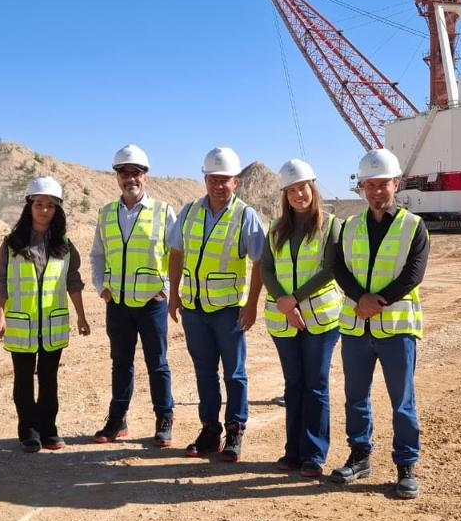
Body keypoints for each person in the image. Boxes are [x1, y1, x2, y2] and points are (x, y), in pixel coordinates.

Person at [329, 148, 429, 499]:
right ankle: (359, 457)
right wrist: (360, 299)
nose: (375, 191)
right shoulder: (350, 226)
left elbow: (413, 275)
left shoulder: (413, 226)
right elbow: (339, 268)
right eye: (369, 185)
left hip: (397, 330)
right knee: (355, 397)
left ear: (395, 184)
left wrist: (376, 301)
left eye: (382, 184)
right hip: (357, 329)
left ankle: (406, 466)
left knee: (402, 401)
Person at [168, 146, 267, 462]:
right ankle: (210, 431)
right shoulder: (190, 212)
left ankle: (235, 430)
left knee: (234, 373)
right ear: (205, 178)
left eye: (225, 179)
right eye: (213, 178)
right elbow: (176, 252)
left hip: (228, 311)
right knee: (204, 372)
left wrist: (251, 305)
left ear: (236, 182)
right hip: (195, 310)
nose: (218, 185)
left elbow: (260, 262)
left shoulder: (245, 216)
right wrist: (174, 294)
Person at [0, 176, 91, 453]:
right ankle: (28, 431)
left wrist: (82, 317)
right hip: (21, 324)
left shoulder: (64, 245)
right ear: (29, 206)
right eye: (39, 204)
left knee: (49, 379)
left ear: (57, 209)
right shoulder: (12, 243)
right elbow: (1, 280)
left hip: (52, 324)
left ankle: (49, 429)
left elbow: (73, 282)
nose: (44, 210)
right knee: (23, 379)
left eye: (50, 205)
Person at [89, 144, 177, 447]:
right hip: (118, 304)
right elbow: (97, 255)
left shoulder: (164, 212)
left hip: (151, 304)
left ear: (145, 176)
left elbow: (176, 254)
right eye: (124, 173)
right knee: (121, 363)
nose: (130, 178)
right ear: (117, 177)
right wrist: (102, 287)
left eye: (135, 172)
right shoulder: (106, 213)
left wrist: (163, 289)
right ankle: (118, 420)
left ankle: (164, 418)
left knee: (158, 363)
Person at [261, 159, 341, 479]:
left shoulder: (331, 225)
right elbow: (266, 268)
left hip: (319, 320)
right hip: (284, 321)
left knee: (316, 385)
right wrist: (283, 301)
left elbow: (330, 268)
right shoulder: (276, 229)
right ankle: (292, 451)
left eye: (303, 188)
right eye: (292, 190)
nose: (298, 195)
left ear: (313, 188)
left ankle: (314, 454)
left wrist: (294, 299)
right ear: (285, 195)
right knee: (293, 385)